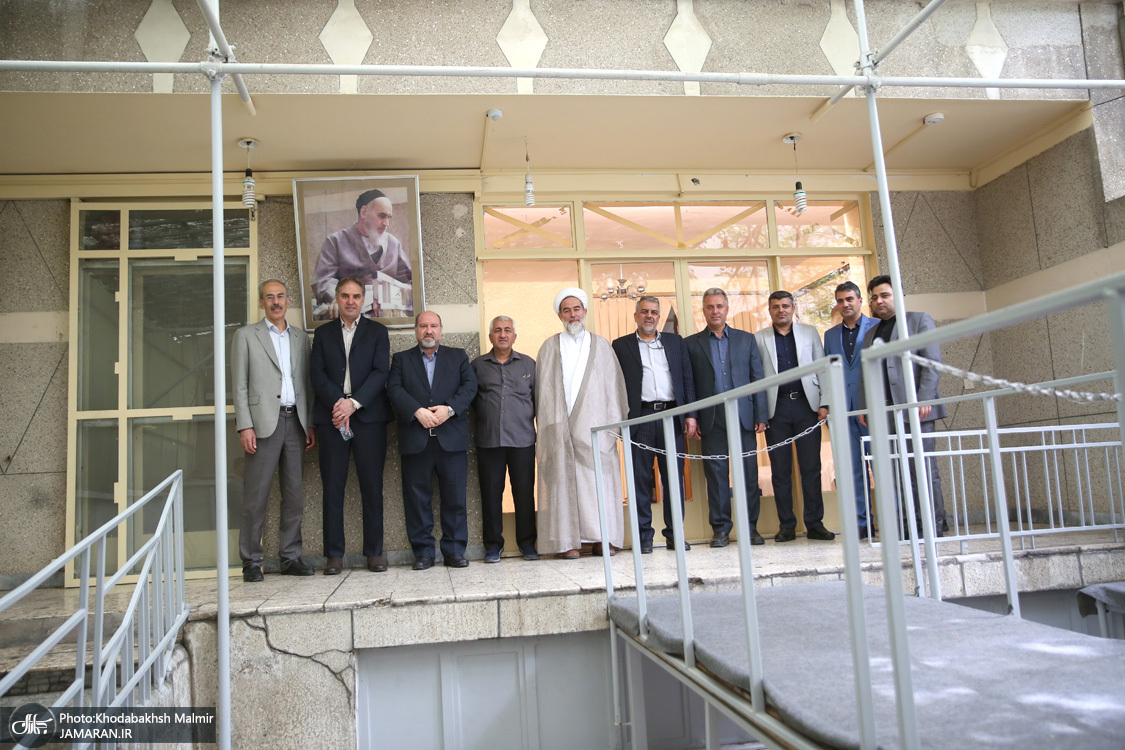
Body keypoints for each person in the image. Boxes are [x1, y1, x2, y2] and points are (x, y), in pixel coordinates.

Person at [232, 280, 317, 582]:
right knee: (255, 496)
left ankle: (290, 557)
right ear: (261, 302)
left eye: (280, 296)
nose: (276, 302)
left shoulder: (300, 338)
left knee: (294, 495)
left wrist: (309, 423)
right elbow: (239, 385)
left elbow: (307, 383)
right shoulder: (246, 336)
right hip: (262, 424)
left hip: (295, 423)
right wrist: (245, 425)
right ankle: (251, 560)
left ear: (288, 300)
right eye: (270, 297)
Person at [309, 277, 393, 575]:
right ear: (337, 298)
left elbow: (380, 372)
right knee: (333, 487)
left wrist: (353, 404)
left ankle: (375, 553)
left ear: (363, 299)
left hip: (368, 419)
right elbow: (317, 374)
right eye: (345, 295)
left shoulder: (378, 332)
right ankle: (334, 555)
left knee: (372, 486)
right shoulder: (323, 334)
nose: (350, 301)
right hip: (332, 419)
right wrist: (339, 404)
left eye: (356, 296)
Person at [535, 288, 628, 559]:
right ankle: (568, 543)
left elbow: (613, 389)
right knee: (563, 485)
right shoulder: (549, 347)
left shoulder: (601, 346)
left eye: (576, 309)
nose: (572, 314)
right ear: (560, 316)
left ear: (585, 311)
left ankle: (603, 539)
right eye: (566, 310)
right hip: (560, 429)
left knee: (598, 486)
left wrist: (611, 428)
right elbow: (543, 392)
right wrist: (552, 427)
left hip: (595, 428)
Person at [858, 274, 948, 537]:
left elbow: (932, 362)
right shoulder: (871, 333)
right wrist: (864, 407)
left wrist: (923, 398)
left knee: (923, 470)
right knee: (898, 472)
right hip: (884, 413)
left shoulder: (918, 320)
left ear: (898, 296)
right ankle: (910, 525)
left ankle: (934, 525)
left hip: (916, 410)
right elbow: (865, 373)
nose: (879, 301)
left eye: (885, 295)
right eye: (875, 297)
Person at [388, 311, 478, 570]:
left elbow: (470, 387)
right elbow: (394, 389)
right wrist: (416, 411)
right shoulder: (401, 359)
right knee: (417, 500)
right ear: (416, 330)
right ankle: (423, 553)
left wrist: (449, 409)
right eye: (423, 326)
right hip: (416, 439)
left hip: (451, 440)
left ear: (441, 329)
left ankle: (454, 551)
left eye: (434, 326)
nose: (429, 330)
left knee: (455, 498)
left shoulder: (458, 356)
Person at [684, 288, 769, 547]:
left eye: (719, 306)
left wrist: (761, 413)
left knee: (748, 474)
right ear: (703, 311)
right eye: (710, 307)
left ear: (727, 309)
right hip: (712, 418)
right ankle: (720, 529)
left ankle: (750, 527)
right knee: (717, 477)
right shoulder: (691, 344)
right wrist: (692, 416)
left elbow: (757, 378)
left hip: (743, 416)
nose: (715, 311)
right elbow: (690, 384)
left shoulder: (746, 340)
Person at [611, 296, 697, 553]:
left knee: (674, 479)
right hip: (641, 419)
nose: (649, 316)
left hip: (672, 416)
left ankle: (675, 534)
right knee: (640, 480)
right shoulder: (621, 345)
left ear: (659, 317)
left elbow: (687, 378)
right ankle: (643, 537)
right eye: (644, 311)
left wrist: (690, 415)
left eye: (654, 312)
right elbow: (615, 385)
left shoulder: (675, 342)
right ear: (636, 316)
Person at [754, 291, 835, 543]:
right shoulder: (758, 338)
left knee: (811, 468)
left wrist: (825, 402)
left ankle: (815, 524)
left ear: (793, 308)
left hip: (806, 407)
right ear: (769, 310)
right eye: (776, 306)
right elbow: (756, 378)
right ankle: (786, 526)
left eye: (785, 306)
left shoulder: (809, 333)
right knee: (780, 471)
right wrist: (760, 413)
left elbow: (823, 368)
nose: (781, 310)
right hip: (775, 410)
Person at [471, 316, 538, 563]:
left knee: (524, 494)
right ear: (490, 336)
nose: (502, 334)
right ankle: (492, 545)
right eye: (498, 330)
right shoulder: (477, 366)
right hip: (489, 441)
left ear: (514, 336)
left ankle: (527, 544)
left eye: (507, 330)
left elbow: (539, 401)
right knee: (491, 495)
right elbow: (471, 402)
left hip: (522, 441)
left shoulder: (529, 364)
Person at [824, 281, 879, 539]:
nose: (844, 304)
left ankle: (892, 519)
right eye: (840, 301)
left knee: (881, 465)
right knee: (852, 469)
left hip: (872, 409)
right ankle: (861, 522)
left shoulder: (877, 327)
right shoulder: (830, 335)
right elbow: (827, 371)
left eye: (849, 299)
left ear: (859, 300)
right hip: (843, 410)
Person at [311, 190, 411, 313]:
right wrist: (337, 298)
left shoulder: (394, 244)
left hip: (388, 314)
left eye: (388, 218)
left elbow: (409, 282)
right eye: (382, 216)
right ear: (364, 212)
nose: (386, 224)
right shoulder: (335, 241)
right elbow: (322, 282)